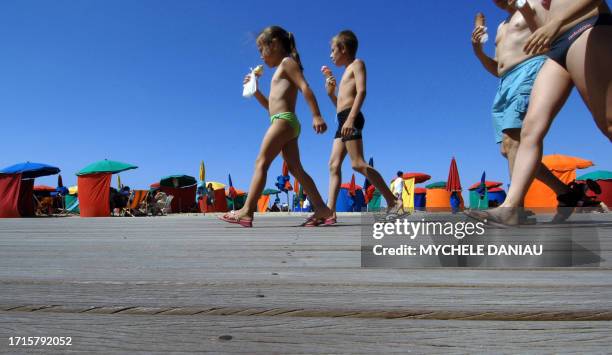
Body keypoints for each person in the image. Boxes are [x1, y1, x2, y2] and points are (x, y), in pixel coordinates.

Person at [471, 0, 612, 226]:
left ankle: (518, 206)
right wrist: (479, 52)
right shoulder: (509, 19)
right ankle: (514, 206)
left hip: (583, 28)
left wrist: (554, 21)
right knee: (526, 134)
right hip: (551, 52)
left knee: (608, 123)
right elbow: (539, 33)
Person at [220, 26, 334, 227]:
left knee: (261, 162)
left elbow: (305, 86)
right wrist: (255, 91)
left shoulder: (287, 62)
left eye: (261, 49)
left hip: (284, 120)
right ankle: (322, 208)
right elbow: (270, 108)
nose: (261, 57)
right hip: (283, 120)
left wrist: (316, 115)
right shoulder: (280, 70)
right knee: (295, 168)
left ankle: (246, 211)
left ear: (274, 44)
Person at [470, 0, 571, 222]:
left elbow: (551, 33)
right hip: (505, 82)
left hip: (531, 68)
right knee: (508, 148)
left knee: (516, 141)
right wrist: (478, 52)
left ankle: (514, 210)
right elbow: (498, 68)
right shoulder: (501, 26)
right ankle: (565, 192)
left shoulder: (532, 4)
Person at [323, 30, 403, 223]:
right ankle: (329, 212)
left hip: (352, 117)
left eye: (333, 50)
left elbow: (362, 92)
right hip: (342, 118)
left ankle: (393, 201)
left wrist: (351, 119)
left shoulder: (357, 64)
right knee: (333, 165)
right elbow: (340, 105)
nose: (331, 55)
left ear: (343, 48)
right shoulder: (344, 73)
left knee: (357, 163)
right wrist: (330, 94)